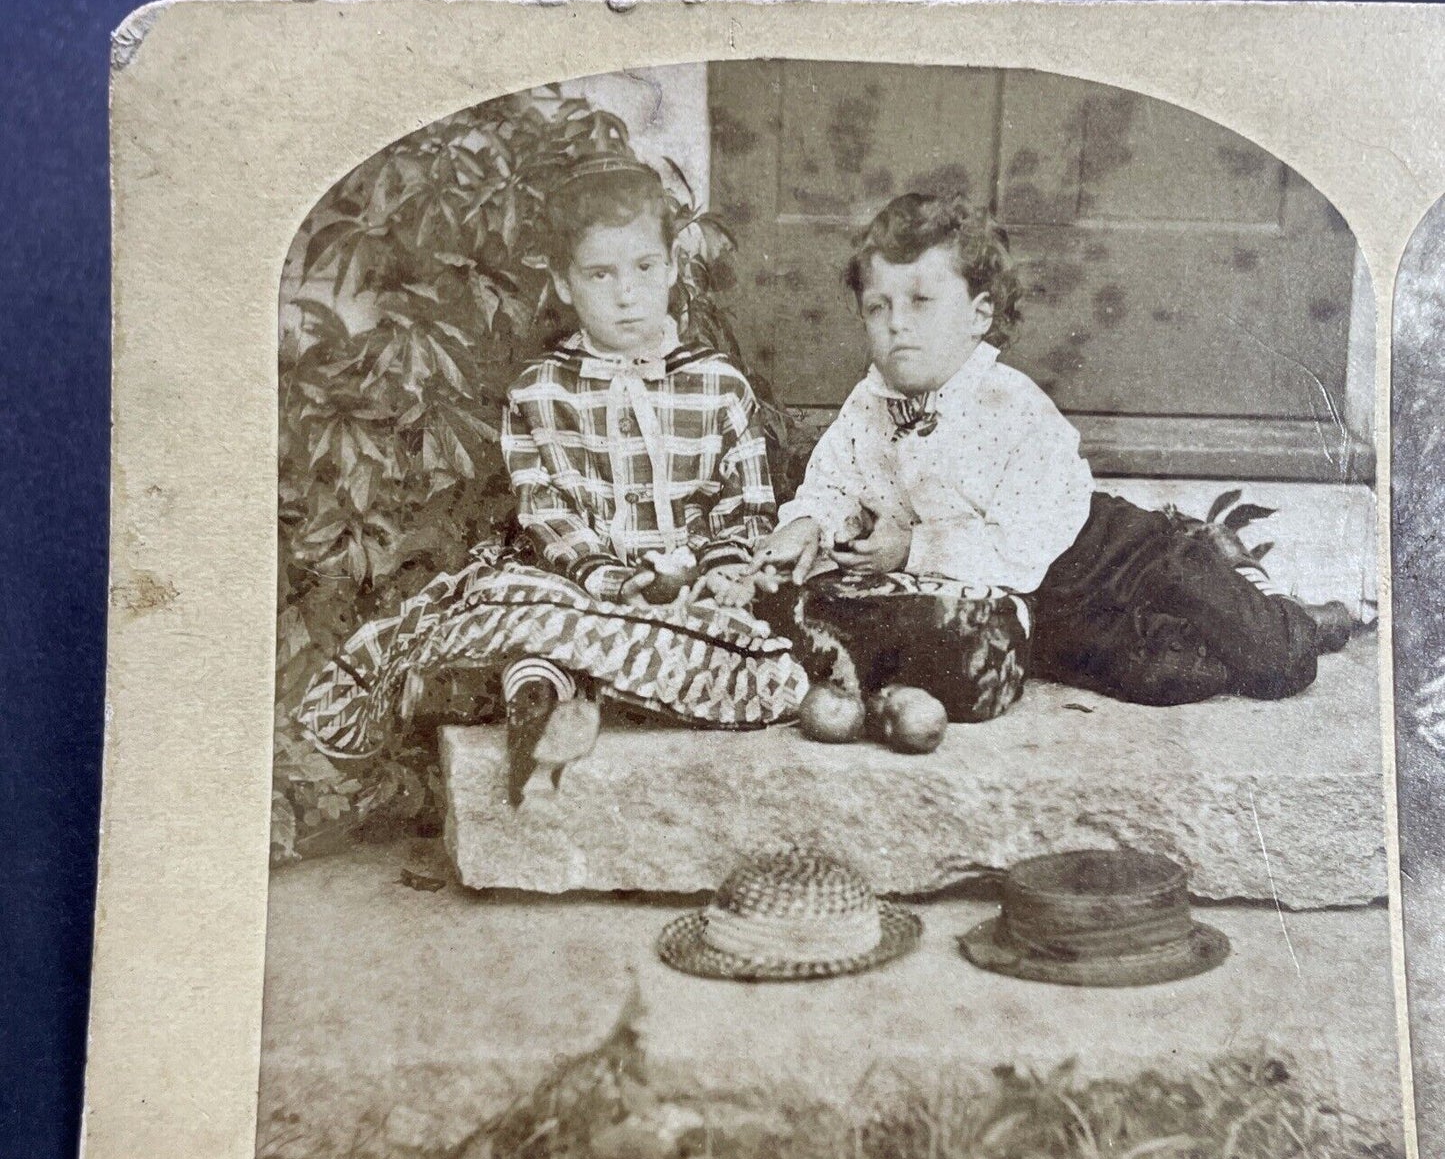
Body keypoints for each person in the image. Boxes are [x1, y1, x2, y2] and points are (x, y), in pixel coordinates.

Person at [298, 152, 804, 801]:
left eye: (644, 268)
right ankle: (542, 695)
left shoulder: (718, 387)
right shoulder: (542, 391)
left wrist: (716, 569)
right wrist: (606, 574)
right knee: (511, 593)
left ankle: (584, 678)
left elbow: (742, 507)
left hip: (685, 590)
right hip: (578, 582)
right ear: (564, 284)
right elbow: (547, 510)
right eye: (600, 274)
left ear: (673, 268)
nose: (626, 293)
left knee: (751, 644)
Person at [752, 191, 1346, 709]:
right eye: (878, 307)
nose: (897, 324)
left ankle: (1280, 611)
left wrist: (912, 548)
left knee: (1274, 664)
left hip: (1109, 556)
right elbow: (833, 478)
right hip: (1041, 604)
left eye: (921, 302)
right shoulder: (868, 405)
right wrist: (807, 524)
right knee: (1162, 678)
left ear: (979, 315)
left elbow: (1022, 545)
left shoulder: (1010, 405)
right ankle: (1199, 631)